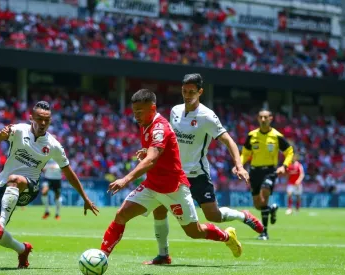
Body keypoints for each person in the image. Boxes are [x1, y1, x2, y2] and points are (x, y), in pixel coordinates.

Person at [99, 89, 242, 259]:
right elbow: (157, 154)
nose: (135, 116)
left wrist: (126, 179)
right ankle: (102, 256)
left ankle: (227, 236)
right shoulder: (146, 124)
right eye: (134, 111)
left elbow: (152, 160)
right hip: (152, 185)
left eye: (139, 111)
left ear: (152, 109)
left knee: (194, 232)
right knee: (121, 215)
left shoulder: (160, 128)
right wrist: (147, 151)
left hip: (173, 189)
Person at [142, 73, 263, 265]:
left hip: (197, 175)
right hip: (173, 174)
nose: (187, 95)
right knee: (159, 210)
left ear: (200, 92)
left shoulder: (207, 116)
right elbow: (168, 141)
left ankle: (242, 216)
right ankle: (163, 255)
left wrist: (239, 165)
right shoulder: (175, 111)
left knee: (212, 215)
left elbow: (228, 140)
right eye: (184, 91)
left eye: (192, 92)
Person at [0, 101, 99, 268]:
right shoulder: (18, 130)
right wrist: (1, 136)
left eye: (47, 120)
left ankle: (1, 224)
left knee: (15, 180)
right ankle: (22, 249)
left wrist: (85, 197)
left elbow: (69, 173)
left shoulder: (53, 145)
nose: (43, 123)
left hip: (30, 187)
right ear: (31, 118)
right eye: (39, 119)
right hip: (5, 185)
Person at [239, 109, 294, 240]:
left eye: (266, 117)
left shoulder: (276, 136)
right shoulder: (252, 135)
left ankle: (264, 233)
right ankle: (271, 209)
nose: (263, 120)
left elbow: (289, 151)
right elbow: (245, 153)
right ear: (258, 119)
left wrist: (285, 166)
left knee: (264, 197)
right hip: (254, 172)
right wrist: (239, 165)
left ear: (271, 118)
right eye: (261, 117)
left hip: (270, 171)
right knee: (258, 205)